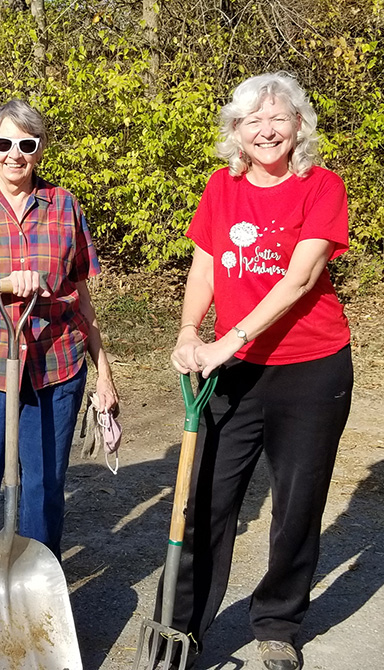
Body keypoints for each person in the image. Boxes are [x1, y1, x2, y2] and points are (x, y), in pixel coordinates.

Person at [162, 72, 353, 670]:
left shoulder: (323, 187)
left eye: (278, 118)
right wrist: (191, 331)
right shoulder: (222, 187)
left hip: (311, 368)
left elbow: (297, 281)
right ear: (236, 133)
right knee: (206, 498)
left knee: (297, 503)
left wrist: (229, 340)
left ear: (299, 125)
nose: (266, 131)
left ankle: (277, 624)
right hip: (236, 373)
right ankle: (182, 626)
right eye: (253, 121)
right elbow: (206, 265)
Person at [0, 99, 118, 647]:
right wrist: (5, 287)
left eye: (28, 145)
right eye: (5, 144)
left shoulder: (63, 207)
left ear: (40, 149)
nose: (16, 155)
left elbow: (80, 295)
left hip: (56, 364)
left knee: (44, 487)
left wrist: (103, 371)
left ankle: (39, 600)